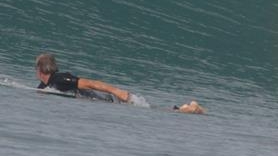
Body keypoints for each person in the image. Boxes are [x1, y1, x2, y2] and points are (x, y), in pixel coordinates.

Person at [35, 53, 206, 114]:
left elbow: (91, 83)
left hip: (105, 100)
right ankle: (186, 108)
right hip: (100, 102)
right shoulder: (44, 87)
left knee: (146, 110)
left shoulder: (60, 79)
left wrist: (118, 92)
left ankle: (186, 110)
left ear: (40, 70)